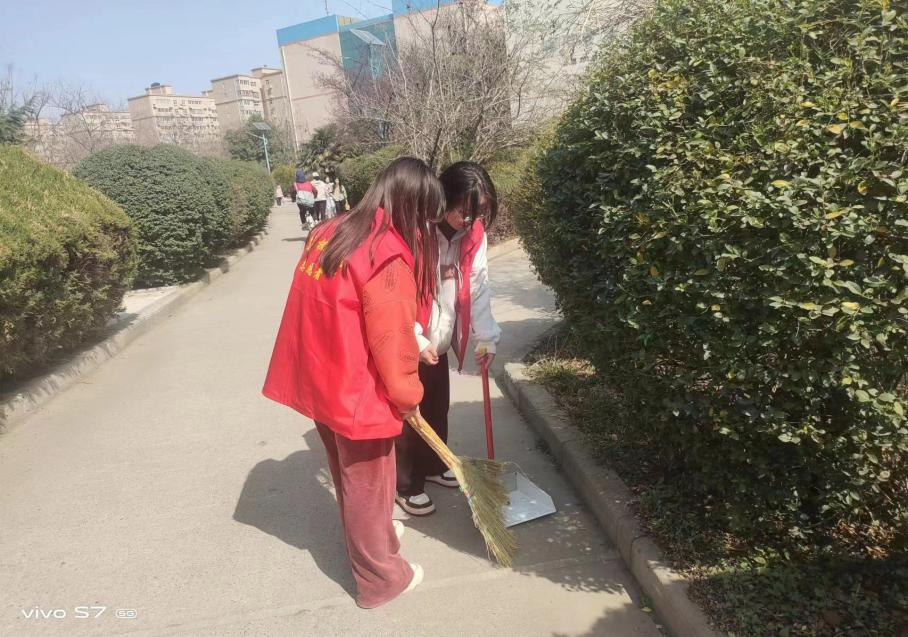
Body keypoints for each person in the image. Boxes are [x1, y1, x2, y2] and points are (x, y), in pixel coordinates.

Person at [262, 156, 444, 609]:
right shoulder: (384, 253)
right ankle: (381, 578)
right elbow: (390, 339)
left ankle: (376, 538)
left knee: (351, 478)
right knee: (369, 487)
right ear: (413, 205)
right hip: (357, 389)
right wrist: (409, 396)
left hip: (322, 378)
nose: (426, 227)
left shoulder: (333, 231)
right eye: (426, 215)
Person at [395, 161, 501, 516]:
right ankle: (406, 483)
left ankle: (433, 464)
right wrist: (415, 338)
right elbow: (396, 293)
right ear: (445, 197)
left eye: (478, 212)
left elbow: (478, 284)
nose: (470, 219)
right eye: (465, 210)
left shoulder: (474, 234)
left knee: (437, 406)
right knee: (409, 413)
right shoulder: (416, 230)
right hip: (409, 338)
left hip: (438, 341)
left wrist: (486, 337)